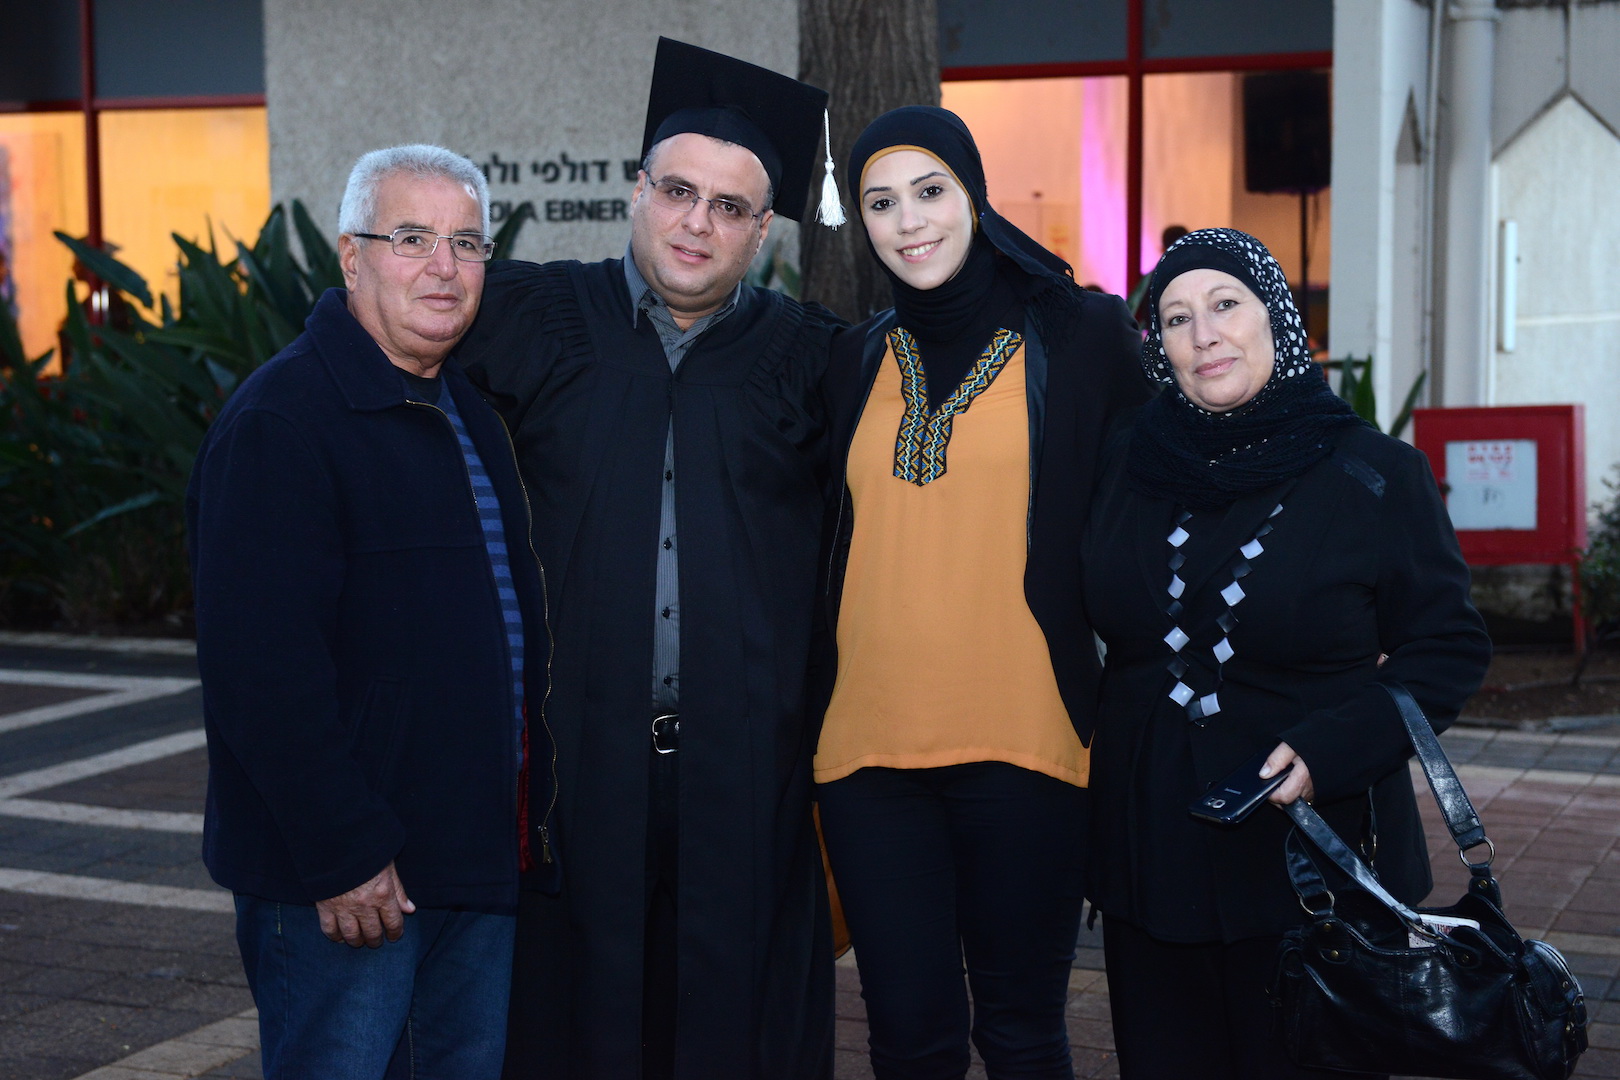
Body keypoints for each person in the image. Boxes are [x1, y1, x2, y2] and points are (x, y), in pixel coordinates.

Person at [455, 39, 842, 1080]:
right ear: (637, 191)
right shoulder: (528, 318)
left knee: (732, 1021)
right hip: (573, 761)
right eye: (677, 191)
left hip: (747, 770)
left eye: (729, 206)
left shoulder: (814, 361)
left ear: (763, 228)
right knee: (572, 1015)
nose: (696, 223)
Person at [1081, 227, 1492, 1078]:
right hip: (1150, 850)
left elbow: (1448, 646)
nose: (1205, 335)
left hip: (1314, 855)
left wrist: (1333, 749)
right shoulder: (1126, 463)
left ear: (1276, 317)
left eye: (1226, 304)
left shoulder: (1372, 473)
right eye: (1177, 318)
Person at [187, 144, 558, 1079]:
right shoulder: (283, 421)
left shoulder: (467, 410)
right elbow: (259, 674)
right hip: (350, 881)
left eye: (467, 243)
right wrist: (343, 850)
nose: (445, 267)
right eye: (412, 238)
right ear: (351, 258)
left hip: (470, 862)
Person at [810, 106, 1149, 1079]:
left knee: (1022, 1032)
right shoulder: (852, 359)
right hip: (868, 757)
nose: (908, 221)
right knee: (907, 1040)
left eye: (930, 191)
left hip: (1028, 744)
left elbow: (1160, 501)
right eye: (881, 202)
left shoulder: (1080, 335)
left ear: (974, 196)